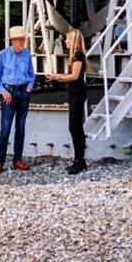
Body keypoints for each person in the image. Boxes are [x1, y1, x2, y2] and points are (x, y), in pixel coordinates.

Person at [0, 25, 36, 175]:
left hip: (23, 93)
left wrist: (29, 88)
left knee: (21, 128)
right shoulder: (3, 55)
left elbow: (31, 74)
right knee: (5, 129)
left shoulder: (27, 54)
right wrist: (4, 92)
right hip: (9, 93)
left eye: (23, 39)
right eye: (19, 40)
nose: (21, 42)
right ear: (13, 40)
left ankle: (17, 159)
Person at [46, 28, 88, 174]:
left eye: (67, 39)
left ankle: (79, 161)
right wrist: (59, 75)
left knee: (74, 127)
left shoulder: (78, 55)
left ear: (74, 40)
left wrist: (57, 77)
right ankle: (80, 160)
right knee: (76, 127)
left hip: (78, 93)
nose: (65, 41)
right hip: (75, 93)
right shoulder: (76, 56)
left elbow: (75, 76)